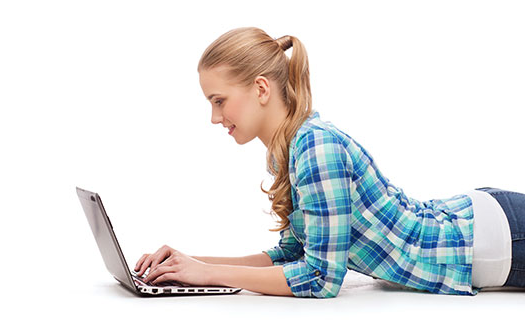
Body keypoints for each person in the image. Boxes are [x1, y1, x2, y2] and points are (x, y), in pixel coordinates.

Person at [133, 27, 523, 298]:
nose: (215, 118)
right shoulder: (287, 151)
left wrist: (207, 274)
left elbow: (321, 279)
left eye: (219, 101)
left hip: (496, 240)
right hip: (486, 226)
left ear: (261, 89)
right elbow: (294, 256)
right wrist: (188, 265)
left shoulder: (316, 147)